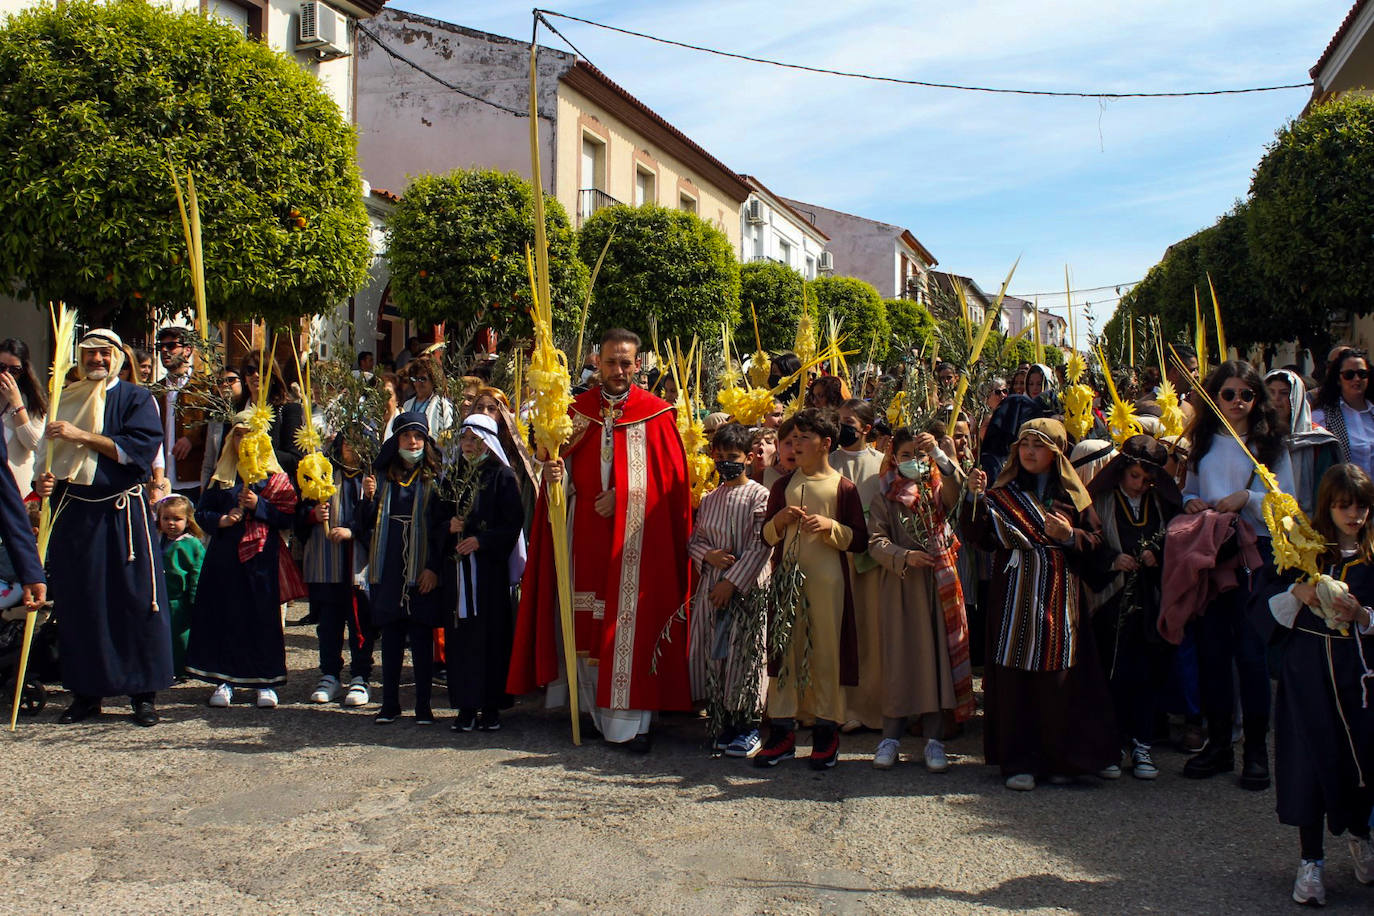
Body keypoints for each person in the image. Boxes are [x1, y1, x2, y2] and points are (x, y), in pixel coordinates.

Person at [508, 328, 694, 752]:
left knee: (629, 628)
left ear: (638, 365)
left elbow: (672, 488)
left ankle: (632, 724)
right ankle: (590, 711)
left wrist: (627, 496)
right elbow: (561, 473)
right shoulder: (575, 412)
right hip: (584, 536)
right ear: (597, 362)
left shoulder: (657, 414)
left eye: (626, 362)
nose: (618, 370)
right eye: (611, 361)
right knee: (585, 625)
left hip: (637, 546)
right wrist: (556, 478)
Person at [963, 418, 1118, 790]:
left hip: (1061, 597)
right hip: (1013, 592)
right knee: (1016, 676)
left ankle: (1062, 759)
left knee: (1061, 678)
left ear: (1057, 452)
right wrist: (972, 498)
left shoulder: (1074, 497)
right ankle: (1019, 760)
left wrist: (1070, 536)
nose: (1031, 452)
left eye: (1040, 445)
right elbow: (977, 536)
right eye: (1025, 444)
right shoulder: (1002, 492)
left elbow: (1099, 547)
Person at [36, 330, 169, 726]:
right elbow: (50, 454)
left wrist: (84, 437)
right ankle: (85, 692)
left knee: (135, 599)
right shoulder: (66, 397)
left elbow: (141, 449)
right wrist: (42, 481)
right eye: (89, 354)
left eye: (104, 354)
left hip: (121, 514)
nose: (96, 360)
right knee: (81, 603)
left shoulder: (135, 397)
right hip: (75, 512)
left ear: (117, 358)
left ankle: (142, 695)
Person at [1261, 464, 1374, 906]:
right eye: (1345, 506)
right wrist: (1298, 594)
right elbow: (1265, 604)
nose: (1355, 515)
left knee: (1362, 758)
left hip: (1360, 675)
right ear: (1328, 506)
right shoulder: (1305, 551)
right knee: (1309, 760)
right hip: (1308, 672)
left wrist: (1363, 616)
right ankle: (1311, 862)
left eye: (1362, 506)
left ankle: (1361, 835)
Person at [1180, 360, 1293, 789]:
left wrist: (1247, 496)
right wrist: (1191, 502)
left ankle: (1256, 752)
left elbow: (1287, 503)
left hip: (1254, 552)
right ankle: (1219, 745)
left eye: (1247, 394)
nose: (1237, 403)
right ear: (1215, 395)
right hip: (1210, 549)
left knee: (1250, 653)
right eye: (1228, 394)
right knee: (1211, 650)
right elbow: (1191, 490)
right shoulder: (1204, 440)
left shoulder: (1271, 446)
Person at [754, 408, 869, 770]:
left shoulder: (842, 488)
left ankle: (825, 732)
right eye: (792, 439)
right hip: (787, 583)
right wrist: (779, 520)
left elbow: (860, 540)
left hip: (828, 585)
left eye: (805, 438)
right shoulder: (782, 486)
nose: (796, 444)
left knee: (825, 653)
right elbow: (766, 537)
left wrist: (831, 527)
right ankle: (783, 733)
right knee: (785, 652)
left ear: (826, 444)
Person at [866, 426, 973, 772]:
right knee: (900, 659)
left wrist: (942, 454)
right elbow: (875, 541)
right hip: (901, 587)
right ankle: (891, 737)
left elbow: (962, 493)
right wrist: (904, 557)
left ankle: (934, 740)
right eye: (907, 455)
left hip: (937, 587)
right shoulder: (884, 497)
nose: (914, 462)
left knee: (936, 660)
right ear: (894, 458)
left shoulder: (937, 490)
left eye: (920, 455)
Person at [185, 411, 299, 709]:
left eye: (249, 433)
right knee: (227, 615)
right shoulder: (222, 476)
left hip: (261, 557)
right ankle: (226, 680)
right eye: (238, 434)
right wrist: (221, 520)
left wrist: (259, 505)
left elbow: (288, 516)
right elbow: (200, 512)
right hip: (225, 556)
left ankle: (266, 681)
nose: (243, 439)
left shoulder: (275, 477)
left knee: (262, 617)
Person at [1086, 435, 1181, 781]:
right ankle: (1110, 746)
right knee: (1110, 676)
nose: (1140, 485)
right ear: (1121, 472)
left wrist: (1158, 556)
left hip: (1147, 603)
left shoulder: (1160, 504)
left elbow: (1176, 540)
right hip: (1109, 603)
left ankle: (1142, 744)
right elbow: (1086, 547)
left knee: (1145, 675)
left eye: (1148, 479)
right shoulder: (1100, 502)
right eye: (1134, 477)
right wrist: (1112, 560)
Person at [686, 422, 772, 757]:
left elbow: (759, 545)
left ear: (749, 457)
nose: (726, 463)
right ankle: (722, 720)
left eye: (733, 456)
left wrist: (731, 582)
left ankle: (748, 725)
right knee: (715, 652)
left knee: (745, 653)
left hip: (746, 589)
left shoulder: (760, 496)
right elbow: (696, 540)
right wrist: (708, 555)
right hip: (712, 588)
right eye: (720, 457)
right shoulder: (709, 499)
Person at [354, 411, 445, 725]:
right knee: (391, 638)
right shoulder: (380, 477)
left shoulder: (435, 478)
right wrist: (366, 501)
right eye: (407, 436)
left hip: (421, 567)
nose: (413, 442)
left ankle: (423, 706)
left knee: (421, 638)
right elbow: (362, 526)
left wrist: (434, 567)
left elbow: (441, 528)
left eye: (418, 436)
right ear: (397, 440)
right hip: (389, 566)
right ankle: (390, 704)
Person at [440, 413, 526, 732]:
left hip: (488, 573)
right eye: (465, 439)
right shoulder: (453, 476)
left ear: (488, 443)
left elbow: (512, 523)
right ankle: (465, 706)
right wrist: (449, 527)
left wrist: (480, 540)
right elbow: (436, 514)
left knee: (491, 637)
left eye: (475, 440)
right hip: (459, 573)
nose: (469, 446)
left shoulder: (502, 477)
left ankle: (491, 706)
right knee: (461, 638)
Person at [299, 436, 375, 709]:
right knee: (329, 623)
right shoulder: (324, 475)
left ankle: (360, 675)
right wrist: (312, 515)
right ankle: (330, 674)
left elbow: (377, 520)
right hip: (326, 563)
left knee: (359, 624)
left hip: (357, 565)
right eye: (348, 442)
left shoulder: (371, 480)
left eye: (358, 443)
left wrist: (354, 531)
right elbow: (300, 511)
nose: (352, 448)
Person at [832, 398, 886, 732]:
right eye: (838, 420)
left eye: (848, 420)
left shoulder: (882, 464)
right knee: (839, 632)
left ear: (866, 428)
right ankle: (841, 708)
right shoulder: (828, 462)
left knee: (871, 631)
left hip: (873, 560)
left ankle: (874, 707)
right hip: (837, 555)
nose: (842, 427)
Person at [1267, 368, 1340, 515]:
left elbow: (1324, 492)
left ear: (1297, 397)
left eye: (1284, 393)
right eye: (1270, 392)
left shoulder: (1318, 441)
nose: (1276, 399)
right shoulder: (1254, 438)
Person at [153, 326, 207, 505]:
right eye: (161, 347)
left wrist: (193, 438)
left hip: (193, 478)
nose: (164, 351)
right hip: (161, 480)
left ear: (188, 350)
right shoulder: (156, 391)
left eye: (171, 346)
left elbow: (215, 426)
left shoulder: (204, 388)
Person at [156, 494, 204, 678]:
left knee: (180, 635)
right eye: (166, 518)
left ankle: (183, 668)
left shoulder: (191, 544)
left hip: (180, 599)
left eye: (177, 519)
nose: (171, 523)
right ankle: (166, 666)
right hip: (161, 597)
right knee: (163, 634)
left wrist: (194, 599)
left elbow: (197, 572)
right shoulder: (159, 540)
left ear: (188, 520)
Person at [1312, 347, 1374, 480]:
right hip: (1346, 496)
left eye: (1362, 374)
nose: (1356, 379)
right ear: (1338, 379)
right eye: (1349, 375)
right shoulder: (1322, 417)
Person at [0, 338, 48, 497]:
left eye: (14, 370)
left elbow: (34, 443)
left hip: (16, 489)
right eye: (1, 367)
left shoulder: (32, 400)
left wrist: (16, 403)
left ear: (23, 371)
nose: (6, 375)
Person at [400, 356, 455, 441]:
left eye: (422, 379)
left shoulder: (443, 405)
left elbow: (446, 437)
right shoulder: (407, 404)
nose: (417, 383)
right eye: (415, 378)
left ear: (434, 380)